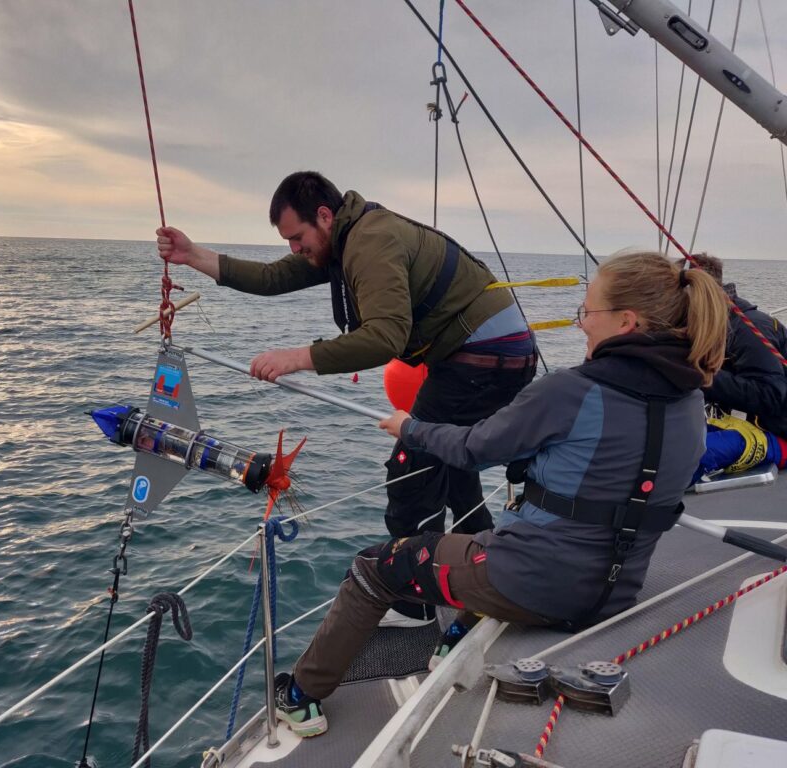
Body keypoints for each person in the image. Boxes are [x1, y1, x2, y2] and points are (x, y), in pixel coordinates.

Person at [270, 250, 726, 737]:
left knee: (375, 569)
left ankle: (299, 698)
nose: (581, 325)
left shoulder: (570, 392)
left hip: (535, 585)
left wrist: (411, 427)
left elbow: (472, 448)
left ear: (626, 321)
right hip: (616, 592)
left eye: (587, 312)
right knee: (491, 541)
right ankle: (454, 639)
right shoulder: (692, 403)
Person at [157, 172, 537, 625]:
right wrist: (191, 254)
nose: (295, 249)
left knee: (411, 472)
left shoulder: (370, 242)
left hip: (481, 357)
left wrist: (296, 357)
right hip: (496, 352)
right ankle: (490, 578)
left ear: (324, 216)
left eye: (298, 238)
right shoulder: (344, 237)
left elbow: (384, 336)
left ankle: (414, 609)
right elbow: (271, 276)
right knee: (448, 463)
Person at [687, 253, 787, 437]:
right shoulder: (713, 324)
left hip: (776, 431)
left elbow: (770, 395)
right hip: (744, 423)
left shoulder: (749, 329)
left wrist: (699, 376)